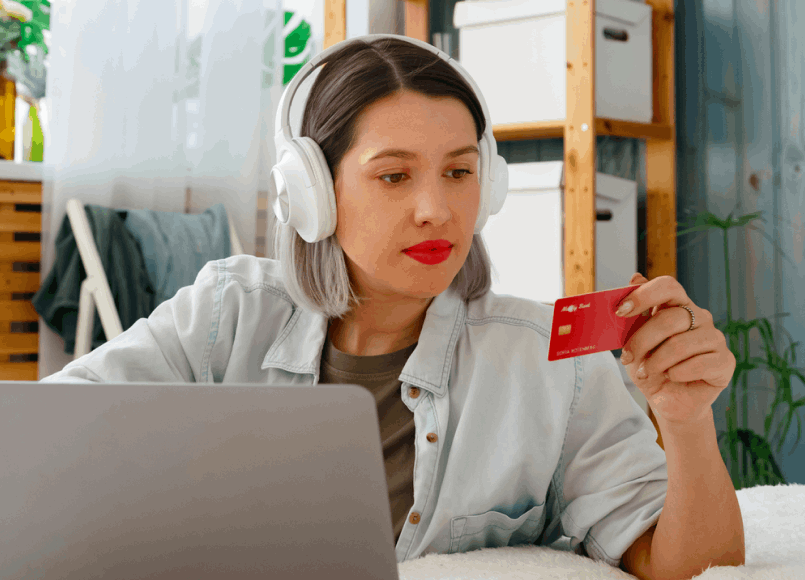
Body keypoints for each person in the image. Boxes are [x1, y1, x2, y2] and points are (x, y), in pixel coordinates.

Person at [41, 35, 744, 578]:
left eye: (460, 172)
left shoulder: (551, 367)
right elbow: (45, 444)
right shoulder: (223, 315)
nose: (437, 210)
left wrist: (685, 424)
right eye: (394, 175)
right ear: (312, 192)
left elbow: (688, 565)